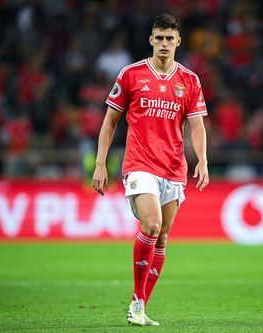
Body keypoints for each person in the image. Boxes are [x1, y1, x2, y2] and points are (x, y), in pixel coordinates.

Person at [91, 14, 209, 326]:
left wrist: (203, 159)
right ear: (151, 40)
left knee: (163, 238)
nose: (164, 44)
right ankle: (138, 303)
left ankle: (138, 304)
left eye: (170, 38)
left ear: (179, 41)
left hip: (173, 169)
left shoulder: (190, 81)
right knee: (153, 224)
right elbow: (110, 122)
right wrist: (100, 163)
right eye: (159, 38)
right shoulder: (130, 75)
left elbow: (196, 126)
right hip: (140, 164)